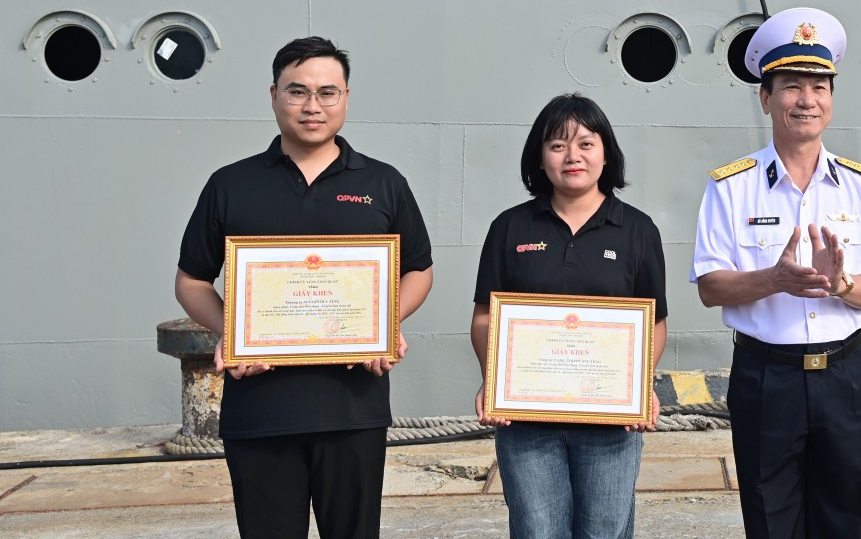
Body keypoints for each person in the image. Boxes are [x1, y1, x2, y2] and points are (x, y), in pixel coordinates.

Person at [174, 36, 433, 539]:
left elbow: (418, 270)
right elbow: (191, 280)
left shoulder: (383, 183)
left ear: (346, 98)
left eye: (327, 92)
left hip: (353, 407)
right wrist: (233, 330)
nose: (312, 106)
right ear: (273, 94)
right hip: (260, 408)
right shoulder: (230, 184)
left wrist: (387, 323)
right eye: (297, 91)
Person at [691, 7, 861, 539]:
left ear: (830, 100)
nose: (806, 100)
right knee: (770, 521)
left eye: (819, 87)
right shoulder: (730, 187)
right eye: (790, 87)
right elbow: (711, 287)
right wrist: (774, 279)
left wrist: (843, 285)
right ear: (765, 98)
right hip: (767, 378)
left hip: (844, 376)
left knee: (841, 519)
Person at [470, 93, 668, 539]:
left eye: (585, 143)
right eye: (557, 145)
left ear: (606, 154)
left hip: (610, 424)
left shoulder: (637, 230)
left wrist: (643, 385)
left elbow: (654, 321)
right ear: (539, 159)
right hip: (527, 424)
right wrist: (493, 378)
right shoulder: (510, 227)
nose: (572, 156)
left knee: (604, 530)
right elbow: (486, 316)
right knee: (537, 530)